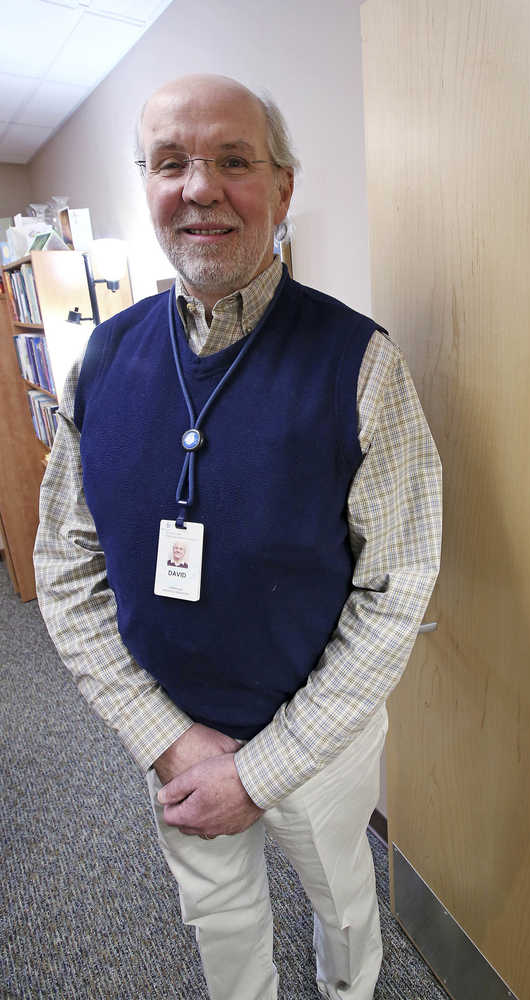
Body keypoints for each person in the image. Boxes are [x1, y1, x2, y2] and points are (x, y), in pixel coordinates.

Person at [34, 74, 442, 1000]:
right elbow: (64, 565)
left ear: (284, 188)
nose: (200, 187)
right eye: (171, 162)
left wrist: (263, 768)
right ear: (146, 186)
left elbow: (398, 584)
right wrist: (166, 738)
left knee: (342, 899)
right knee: (215, 919)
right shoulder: (99, 363)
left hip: (320, 744)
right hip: (171, 736)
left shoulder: (362, 363)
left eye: (233, 160)